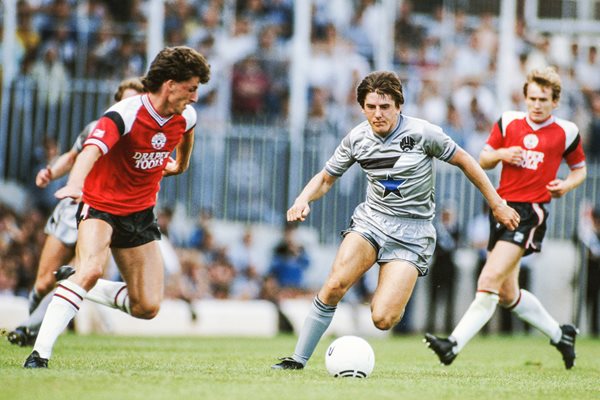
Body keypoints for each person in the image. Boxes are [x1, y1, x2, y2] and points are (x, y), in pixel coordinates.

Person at [271, 71, 519, 370]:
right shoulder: (356, 138)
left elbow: (466, 161)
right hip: (372, 222)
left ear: (399, 105)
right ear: (362, 107)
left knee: (383, 318)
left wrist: (497, 204)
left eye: (385, 106)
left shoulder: (423, 133)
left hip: (413, 233)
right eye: (371, 107)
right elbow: (326, 178)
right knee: (335, 284)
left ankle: (389, 281)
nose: (378, 114)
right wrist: (302, 200)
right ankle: (297, 360)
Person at [23, 46, 211, 368]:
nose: (194, 97)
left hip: (140, 213)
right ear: (170, 84)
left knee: (147, 307)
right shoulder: (124, 113)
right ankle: (39, 354)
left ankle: (75, 278)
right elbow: (89, 152)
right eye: (191, 88)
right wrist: (75, 185)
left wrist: (181, 164)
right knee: (93, 268)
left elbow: (187, 133)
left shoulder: (186, 116)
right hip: (100, 207)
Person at [425, 67, 587, 370]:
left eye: (543, 99)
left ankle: (453, 344)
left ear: (555, 102)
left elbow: (580, 170)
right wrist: (503, 154)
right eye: (532, 98)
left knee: (487, 279)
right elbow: (483, 157)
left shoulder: (566, 131)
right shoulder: (509, 121)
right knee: (507, 293)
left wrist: (566, 185)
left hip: (529, 213)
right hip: (500, 208)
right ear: (525, 97)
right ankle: (560, 335)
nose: (537, 104)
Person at [7, 78, 145, 347]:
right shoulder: (97, 128)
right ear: (117, 103)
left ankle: (28, 329)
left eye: (135, 101)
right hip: (71, 210)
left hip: (103, 215)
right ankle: (34, 326)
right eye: (125, 100)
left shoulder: (143, 139)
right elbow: (72, 156)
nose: (130, 106)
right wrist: (52, 172)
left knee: (83, 273)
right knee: (45, 281)